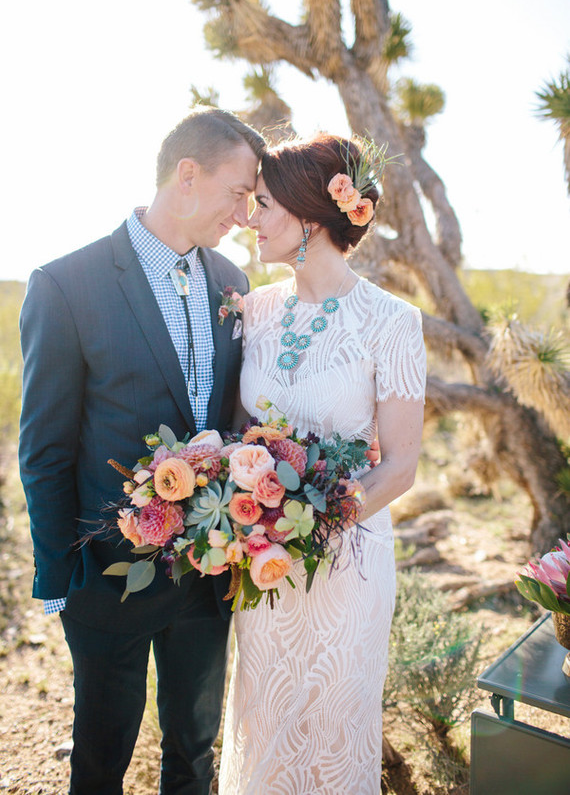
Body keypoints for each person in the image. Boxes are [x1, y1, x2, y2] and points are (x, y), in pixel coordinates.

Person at [18, 106, 265, 795]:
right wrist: (60, 577)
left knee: (194, 755)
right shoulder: (66, 285)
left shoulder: (233, 283)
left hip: (206, 575)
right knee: (100, 759)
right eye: (239, 192)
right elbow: (42, 447)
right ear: (187, 175)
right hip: (105, 577)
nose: (246, 213)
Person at [219, 133, 427, 794]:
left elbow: (400, 465)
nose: (251, 219)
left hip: (347, 568)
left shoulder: (392, 322)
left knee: (334, 735)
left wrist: (313, 523)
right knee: (266, 721)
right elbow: (234, 429)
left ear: (311, 216)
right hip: (265, 567)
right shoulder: (252, 311)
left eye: (265, 205)